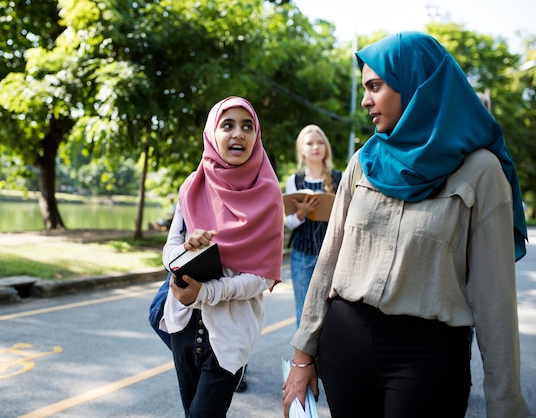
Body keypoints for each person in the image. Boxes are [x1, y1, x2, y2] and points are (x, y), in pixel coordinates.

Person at [282, 32, 530, 418]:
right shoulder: (364, 160)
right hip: (345, 346)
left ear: (418, 83)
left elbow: (495, 300)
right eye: (364, 88)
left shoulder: (482, 171)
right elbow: (327, 263)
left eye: (375, 87)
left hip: (428, 357)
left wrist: (505, 403)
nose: (365, 100)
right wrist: (302, 357)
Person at [160, 96, 284, 417]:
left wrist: (208, 292)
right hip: (183, 326)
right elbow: (169, 251)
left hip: (231, 333)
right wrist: (186, 247)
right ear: (211, 134)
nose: (238, 134)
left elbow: (265, 276)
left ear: (257, 136)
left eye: (247, 126)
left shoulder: (269, 194)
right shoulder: (192, 184)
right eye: (227, 125)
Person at [284, 124, 341, 326]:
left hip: (333, 257)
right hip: (302, 256)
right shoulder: (295, 180)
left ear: (326, 147)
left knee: (332, 316)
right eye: (310, 143)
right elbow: (289, 223)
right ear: (302, 150)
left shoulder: (338, 178)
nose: (315, 147)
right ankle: (304, 359)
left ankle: (327, 358)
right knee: (304, 316)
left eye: (319, 142)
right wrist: (301, 213)